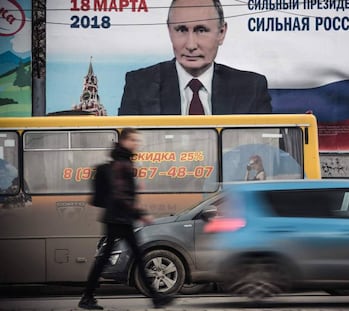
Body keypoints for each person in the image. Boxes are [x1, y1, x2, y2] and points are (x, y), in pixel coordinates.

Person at [118, 0, 272, 115]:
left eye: (201, 30)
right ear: (169, 31)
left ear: (221, 33)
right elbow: (126, 154)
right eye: (181, 30)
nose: (191, 45)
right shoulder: (140, 86)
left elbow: (263, 154)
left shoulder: (251, 89)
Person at [78, 128, 174, 310]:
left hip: (116, 217)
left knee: (117, 256)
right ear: (124, 141)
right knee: (133, 255)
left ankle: (88, 296)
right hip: (120, 217)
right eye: (134, 140)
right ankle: (155, 298)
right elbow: (120, 194)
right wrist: (140, 214)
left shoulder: (121, 161)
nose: (136, 144)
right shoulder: (122, 163)